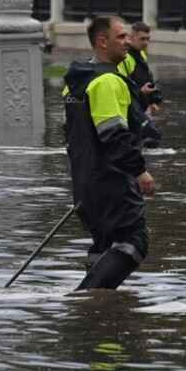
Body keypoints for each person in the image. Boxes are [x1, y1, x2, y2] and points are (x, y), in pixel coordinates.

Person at [63, 16, 156, 290]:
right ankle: (86, 298)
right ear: (102, 42)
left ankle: (94, 317)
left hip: (84, 183)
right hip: (110, 182)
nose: (128, 41)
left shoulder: (75, 83)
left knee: (104, 243)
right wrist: (140, 171)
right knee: (134, 240)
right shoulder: (107, 81)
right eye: (121, 37)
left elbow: (74, 133)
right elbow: (113, 135)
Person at [118, 21, 163, 146]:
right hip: (130, 108)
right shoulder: (125, 58)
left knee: (149, 138)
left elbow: (147, 78)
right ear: (131, 38)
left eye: (148, 39)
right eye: (142, 39)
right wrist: (140, 92)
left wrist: (152, 101)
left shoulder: (141, 54)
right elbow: (120, 86)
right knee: (152, 137)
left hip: (140, 106)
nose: (146, 43)